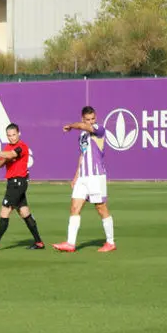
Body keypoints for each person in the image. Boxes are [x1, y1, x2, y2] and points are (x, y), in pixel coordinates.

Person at [53, 106, 116, 253]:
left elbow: (81, 126)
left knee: (101, 208)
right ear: (83, 118)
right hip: (83, 177)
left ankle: (111, 242)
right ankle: (70, 243)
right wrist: (76, 176)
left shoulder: (99, 129)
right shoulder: (82, 135)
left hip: (96, 175)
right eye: (87, 120)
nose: (90, 122)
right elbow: (82, 155)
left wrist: (70, 126)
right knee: (74, 207)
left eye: (92, 119)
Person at [0, 124, 44, 251]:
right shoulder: (7, 147)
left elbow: (13, 154)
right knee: (24, 212)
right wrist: (4, 158)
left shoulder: (22, 146)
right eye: (9, 135)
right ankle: (39, 242)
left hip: (17, 183)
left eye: (14, 134)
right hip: (13, 183)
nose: (12, 137)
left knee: (5, 211)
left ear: (19, 133)